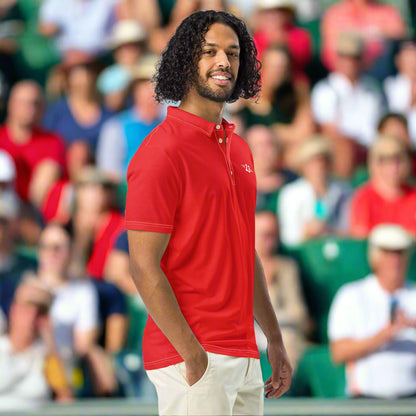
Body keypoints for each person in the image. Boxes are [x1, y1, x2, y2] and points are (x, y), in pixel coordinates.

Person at [125, 10, 292, 416]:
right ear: (185, 61)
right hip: (193, 356)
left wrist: (273, 337)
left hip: (244, 353)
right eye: (210, 51)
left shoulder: (239, 148)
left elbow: (243, 252)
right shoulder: (161, 151)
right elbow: (143, 266)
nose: (224, 62)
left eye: (233, 53)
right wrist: (193, 356)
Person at [328, 224, 416, 398]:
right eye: (387, 253)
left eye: (400, 253)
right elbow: (338, 352)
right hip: (366, 400)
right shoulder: (351, 295)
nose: (394, 261)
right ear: (374, 257)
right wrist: (385, 335)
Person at [311, 30, 387, 178]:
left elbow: (381, 124)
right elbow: (329, 130)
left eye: (355, 57)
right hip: (346, 148)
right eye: (346, 57)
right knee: (344, 147)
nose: (351, 62)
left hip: (373, 146)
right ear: (338, 58)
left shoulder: (373, 88)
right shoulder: (325, 90)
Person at [0, 277, 72, 410]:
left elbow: (65, 398)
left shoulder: (48, 356)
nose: (32, 316)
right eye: (27, 308)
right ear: (13, 309)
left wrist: (50, 342)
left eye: (41, 312)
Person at [254, 210, 309, 369]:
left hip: (278, 329)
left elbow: (297, 312)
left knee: (287, 341)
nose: (270, 241)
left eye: (274, 235)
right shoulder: (237, 265)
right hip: (244, 331)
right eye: (265, 235)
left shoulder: (286, 268)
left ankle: (282, 389)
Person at [96, 54, 163, 181]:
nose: (154, 92)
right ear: (136, 90)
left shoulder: (170, 128)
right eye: (148, 85)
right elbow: (109, 173)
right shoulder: (116, 127)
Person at [0, 81, 66, 209]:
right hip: (4, 211)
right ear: (11, 105)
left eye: (35, 103)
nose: (30, 109)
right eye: (23, 103)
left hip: (34, 213)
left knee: (48, 168)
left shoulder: (52, 141)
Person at [278, 135, 351, 247]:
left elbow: (348, 229)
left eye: (323, 161)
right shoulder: (290, 194)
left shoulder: (342, 191)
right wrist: (306, 233)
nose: (319, 166)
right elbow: (289, 237)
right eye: (312, 162)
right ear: (303, 166)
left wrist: (329, 231)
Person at [350, 135, 416, 238]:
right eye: (386, 160)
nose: (394, 167)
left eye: (399, 159)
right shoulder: (363, 198)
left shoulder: (413, 196)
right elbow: (362, 238)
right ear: (373, 164)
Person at [321, 0, 407, 74]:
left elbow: (400, 36)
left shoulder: (387, 12)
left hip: (384, 74)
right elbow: (330, 55)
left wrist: (379, 34)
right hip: (349, 78)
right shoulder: (334, 15)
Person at [384, 39, 416, 146]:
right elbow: (393, 122)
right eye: (408, 56)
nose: (413, 61)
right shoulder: (390, 86)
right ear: (398, 60)